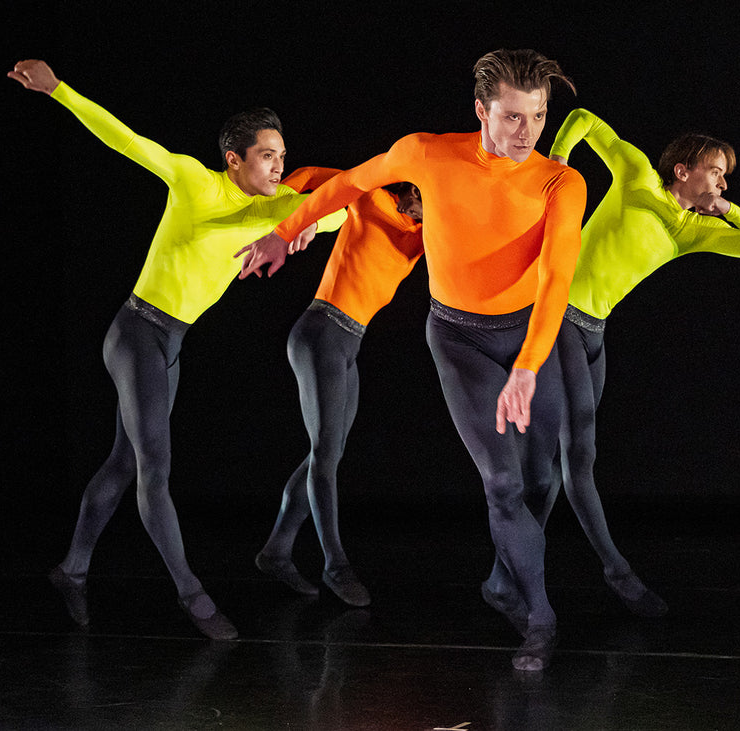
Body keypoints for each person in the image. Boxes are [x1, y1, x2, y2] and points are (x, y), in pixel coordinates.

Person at [236, 49, 587, 671]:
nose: (526, 132)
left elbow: (558, 275)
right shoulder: (426, 154)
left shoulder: (560, 182)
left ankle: (502, 580)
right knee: (503, 483)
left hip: (530, 337)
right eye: (511, 116)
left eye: (537, 117)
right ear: (481, 110)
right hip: (459, 338)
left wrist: (528, 366)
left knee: (543, 479)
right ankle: (539, 619)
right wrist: (284, 229)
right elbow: (347, 182)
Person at [7, 59, 344, 640]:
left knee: (124, 462)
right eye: (267, 155)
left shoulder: (275, 204)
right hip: (136, 332)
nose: (279, 166)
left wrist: (309, 221)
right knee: (154, 469)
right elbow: (127, 141)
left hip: (171, 343)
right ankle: (192, 594)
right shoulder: (195, 180)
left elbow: (337, 210)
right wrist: (59, 89)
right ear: (234, 159)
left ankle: (72, 569)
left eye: (282, 156)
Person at [541, 108, 740, 616]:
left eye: (725, 176)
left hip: (594, 333)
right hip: (558, 318)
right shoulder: (637, 176)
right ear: (683, 169)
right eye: (715, 171)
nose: (722, 182)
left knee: (560, 463)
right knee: (577, 454)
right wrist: (557, 163)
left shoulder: (690, 231)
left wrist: (728, 210)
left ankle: (509, 570)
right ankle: (616, 570)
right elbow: (583, 118)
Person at [253, 168, 424, 607]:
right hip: (320, 332)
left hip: (349, 342)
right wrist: (285, 208)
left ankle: (276, 550)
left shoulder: (424, 235)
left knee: (328, 452)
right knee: (326, 452)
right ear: (412, 189)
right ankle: (335, 564)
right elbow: (316, 177)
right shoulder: (372, 197)